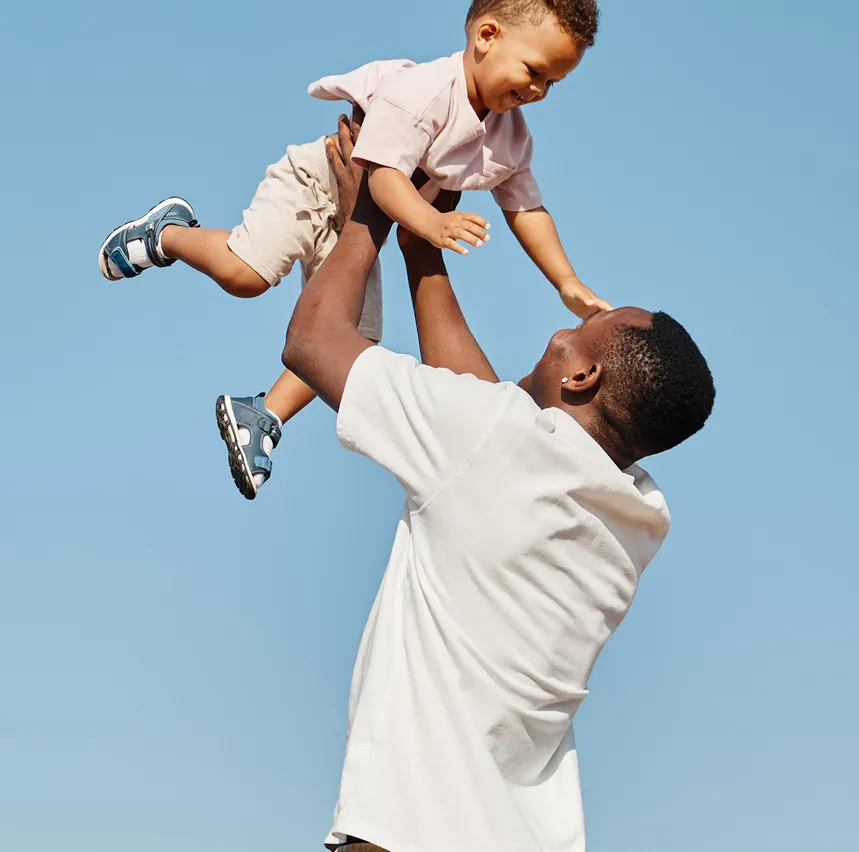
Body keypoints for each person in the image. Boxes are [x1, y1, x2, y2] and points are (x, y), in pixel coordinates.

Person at [284, 120, 714, 852]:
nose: (566, 326)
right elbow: (485, 418)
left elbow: (313, 343)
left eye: (589, 325)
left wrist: (370, 213)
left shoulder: (496, 446)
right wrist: (426, 237)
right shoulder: (635, 519)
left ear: (582, 376)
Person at [95, 0, 612, 500]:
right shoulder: (427, 93)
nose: (539, 90)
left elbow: (527, 209)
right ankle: (168, 233)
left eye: (553, 83)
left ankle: (263, 416)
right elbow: (383, 180)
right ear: (487, 36)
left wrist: (566, 281)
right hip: (319, 185)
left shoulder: (509, 138)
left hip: (370, 221)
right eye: (535, 70)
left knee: (352, 338)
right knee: (245, 276)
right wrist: (431, 222)